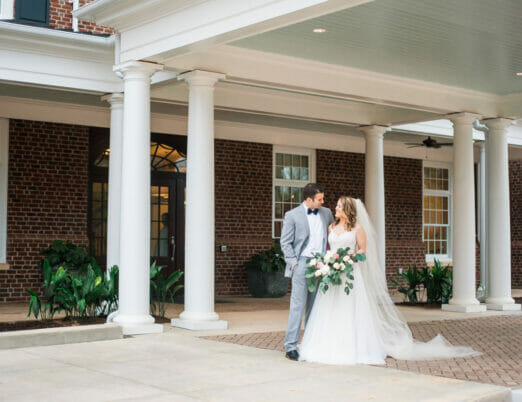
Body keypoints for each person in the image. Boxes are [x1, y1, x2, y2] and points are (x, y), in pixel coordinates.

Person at [299, 196, 480, 365]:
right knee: (330, 308)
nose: (335, 208)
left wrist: (347, 259)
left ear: (347, 209)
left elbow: (362, 250)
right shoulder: (331, 227)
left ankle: (353, 347)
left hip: (350, 275)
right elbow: (329, 248)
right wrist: (328, 262)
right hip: (332, 275)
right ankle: (327, 345)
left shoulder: (357, 229)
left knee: (349, 309)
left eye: (339, 206)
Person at [280, 183, 334, 361]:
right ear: (309, 199)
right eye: (320, 199)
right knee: (297, 305)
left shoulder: (326, 214)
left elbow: (332, 236)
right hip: (301, 263)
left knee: (315, 306)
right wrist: (294, 263)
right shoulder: (292, 215)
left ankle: (311, 343)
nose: (323, 202)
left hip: (321, 264)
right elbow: (285, 242)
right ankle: (290, 346)